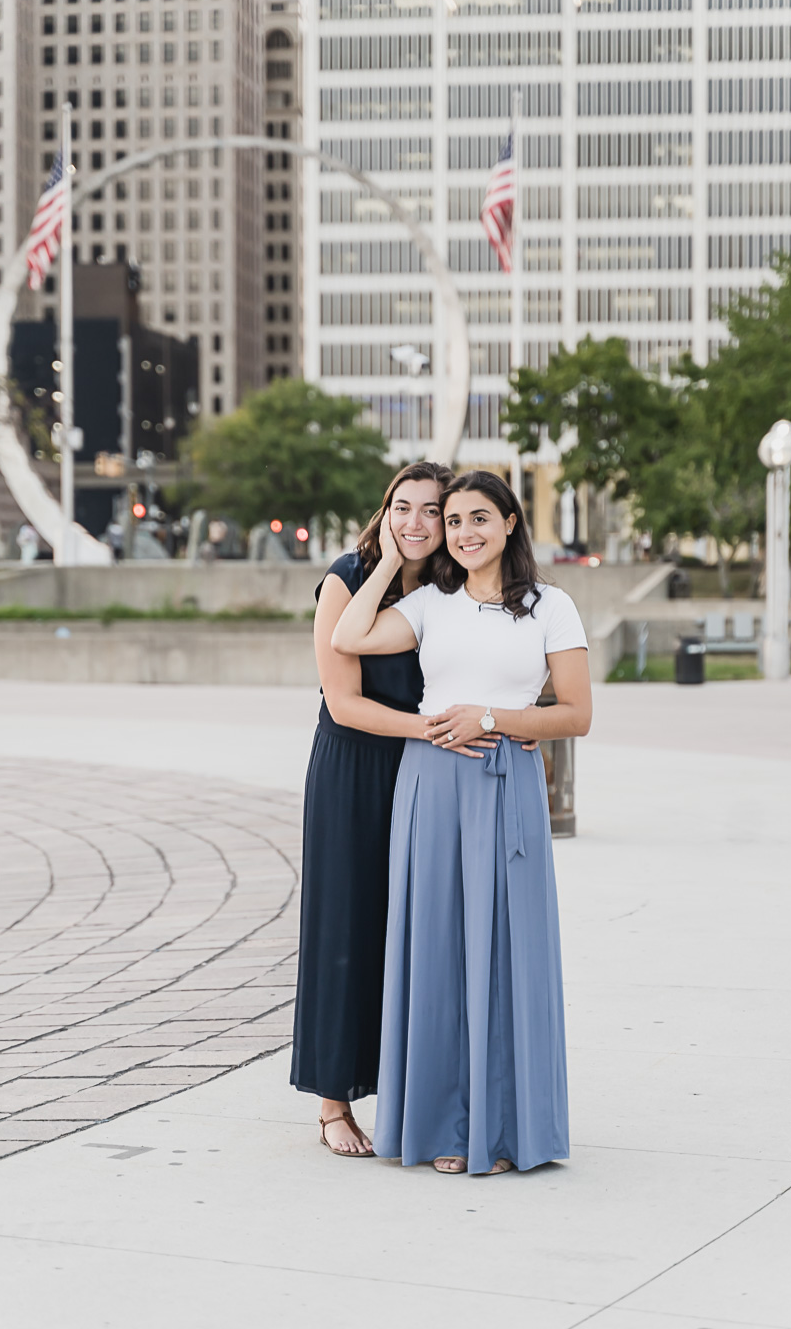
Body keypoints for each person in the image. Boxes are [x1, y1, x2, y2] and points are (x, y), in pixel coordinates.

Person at [333, 470, 591, 1175]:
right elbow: (350, 634)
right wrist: (390, 553)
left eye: (480, 517)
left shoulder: (551, 607)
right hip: (429, 785)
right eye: (453, 521)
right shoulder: (430, 602)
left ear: (510, 522)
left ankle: (502, 1130)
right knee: (438, 952)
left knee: (504, 952)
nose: (464, 533)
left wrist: (492, 718)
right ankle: (442, 1124)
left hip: (503, 782)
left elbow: (575, 714)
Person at [290, 462, 535, 1158]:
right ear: (385, 511)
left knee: (415, 937)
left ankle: (411, 1094)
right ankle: (333, 1103)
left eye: (435, 511)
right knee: (346, 925)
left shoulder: (447, 587)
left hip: (426, 772)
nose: (421, 523)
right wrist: (387, 561)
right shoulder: (346, 575)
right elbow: (342, 697)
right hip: (355, 767)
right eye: (405, 508)